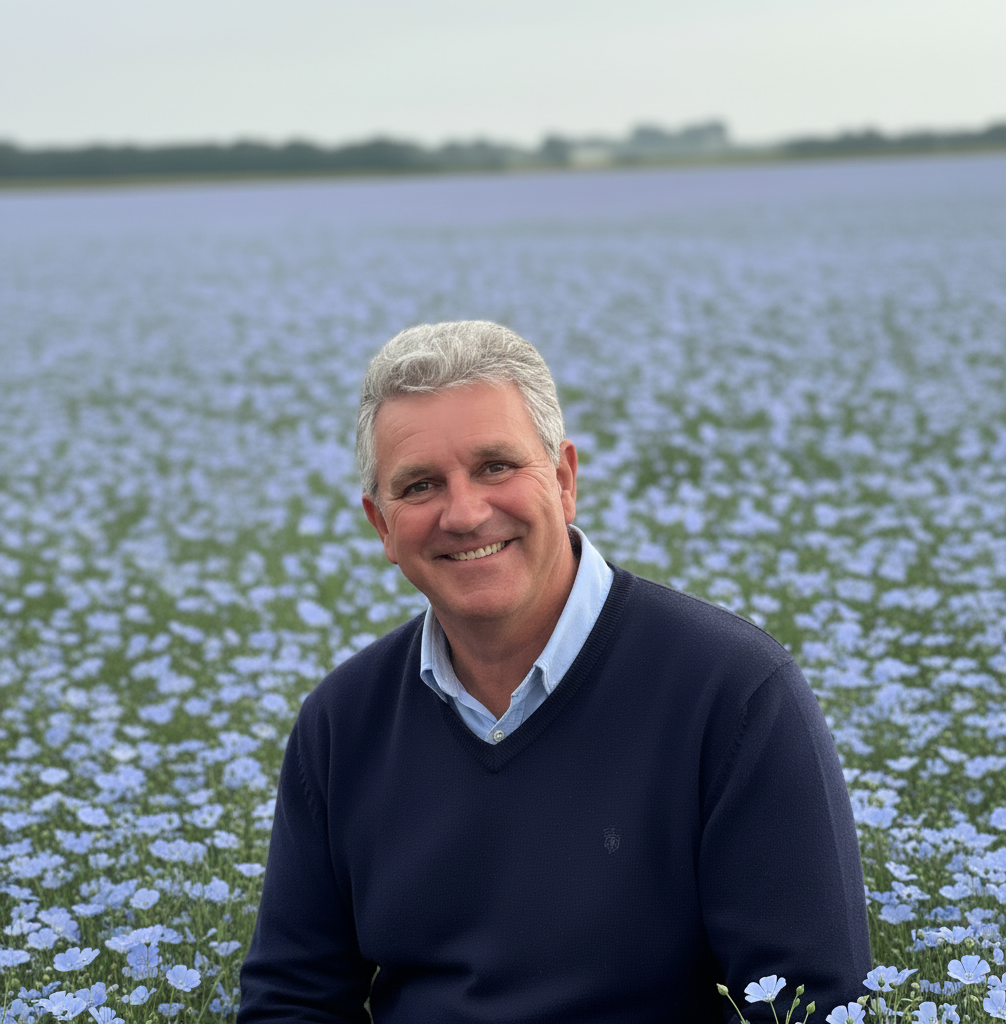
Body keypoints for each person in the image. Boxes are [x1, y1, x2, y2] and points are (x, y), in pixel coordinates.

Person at [239, 321, 871, 1024]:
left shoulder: (736, 695)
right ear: (382, 526)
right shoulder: (341, 723)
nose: (465, 513)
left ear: (565, 480)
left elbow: (808, 1005)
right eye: (420, 485)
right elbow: (291, 1002)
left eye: (496, 467)